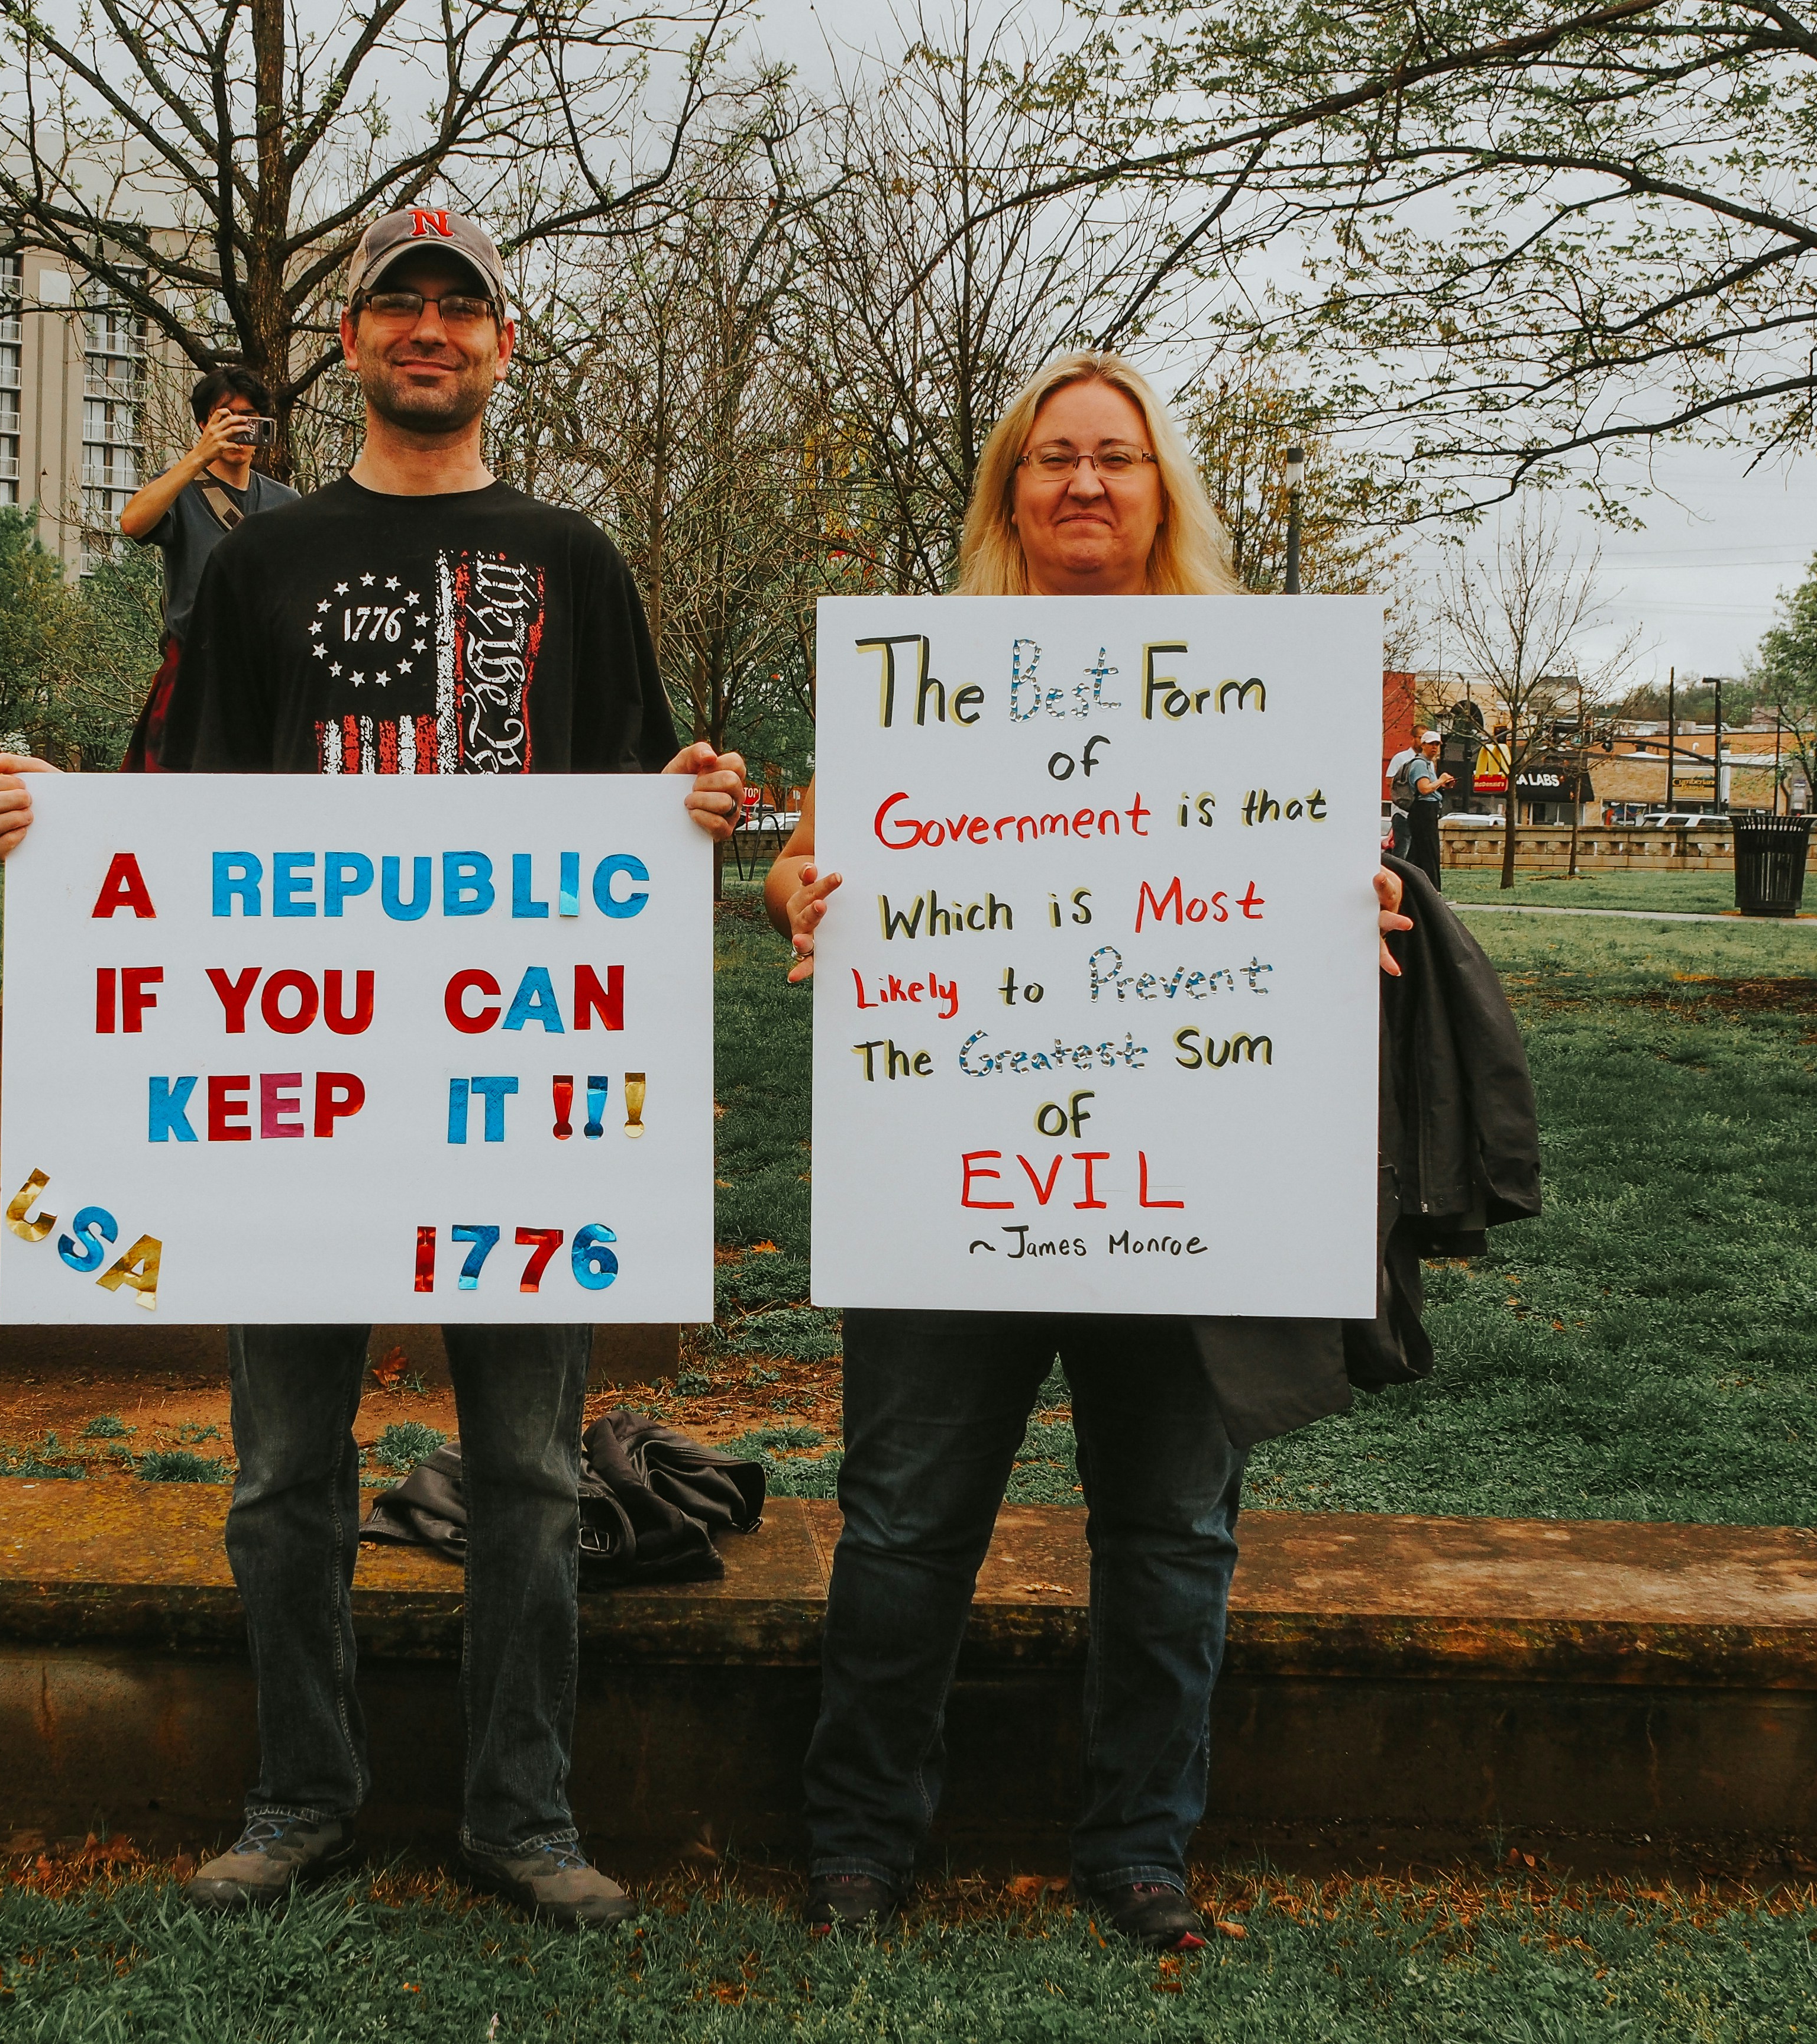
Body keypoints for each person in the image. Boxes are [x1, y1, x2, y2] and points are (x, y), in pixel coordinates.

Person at [0, 205, 746, 1930]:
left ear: (502, 347)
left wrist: (690, 817)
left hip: (519, 1097)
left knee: (536, 1478)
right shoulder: (259, 559)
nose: (426, 331)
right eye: (395, 306)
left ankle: (519, 1815)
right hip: (293, 1091)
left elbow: (636, 824)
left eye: (456, 311)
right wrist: (49, 823)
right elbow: (169, 818)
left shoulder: (574, 564)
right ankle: (298, 1801)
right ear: (347, 343)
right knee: (282, 1474)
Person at [762, 352, 1413, 1954]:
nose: (1080, 485)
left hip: (1190, 1176)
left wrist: (1362, 912)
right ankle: (857, 1845)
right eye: (1049, 460)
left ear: (1157, 490)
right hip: (952, 1172)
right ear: (1007, 494)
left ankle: (1139, 1850)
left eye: (1113, 460)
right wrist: (796, 890)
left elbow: (1322, 887)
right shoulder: (920, 683)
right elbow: (820, 851)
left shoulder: (1259, 689)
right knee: (904, 1523)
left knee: (1172, 1533)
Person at [117, 366, 304, 771]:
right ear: (205, 423)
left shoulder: (286, 501)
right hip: (192, 670)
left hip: (262, 673)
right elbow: (132, 523)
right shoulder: (178, 488)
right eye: (226, 416)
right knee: (169, 791)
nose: (240, 428)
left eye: (249, 417)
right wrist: (199, 456)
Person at [1387, 729, 1446, 887]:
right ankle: (1432, 890)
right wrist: (1441, 780)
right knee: (1428, 851)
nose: (1435, 747)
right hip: (1423, 810)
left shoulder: (1429, 764)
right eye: (1431, 744)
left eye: (1437, 744)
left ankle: (1414, 887)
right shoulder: (1420, 764)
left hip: (1428, 810)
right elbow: (1424, 789)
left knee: (1418, 852)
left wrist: (1442, 784)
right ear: (1423, 745)